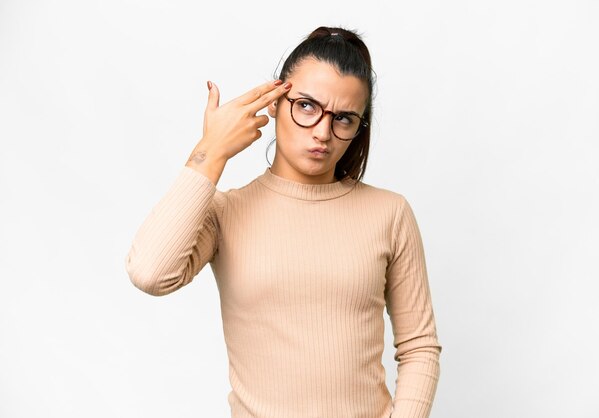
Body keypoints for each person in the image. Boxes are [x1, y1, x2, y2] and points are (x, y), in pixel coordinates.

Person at [125, 26, 442, 418]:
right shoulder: (225, 213)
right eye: (306, 106)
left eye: (343, 118)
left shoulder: (389, 213)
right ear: (275, 100)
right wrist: (212, 151)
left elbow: (419, 347)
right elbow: (149, 273)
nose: (323, 133)